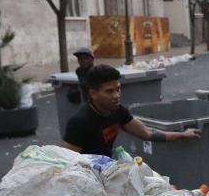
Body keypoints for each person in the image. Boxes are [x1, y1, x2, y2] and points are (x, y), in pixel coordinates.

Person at [62, 65, 200, 156]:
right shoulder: (79, 122)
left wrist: (183, 135)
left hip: (105, 173)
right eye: (109, 91)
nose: (116, 96)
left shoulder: (117, 111)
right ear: (93, 94)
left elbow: (147, 133)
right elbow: (66, 164)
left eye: (118, 89)